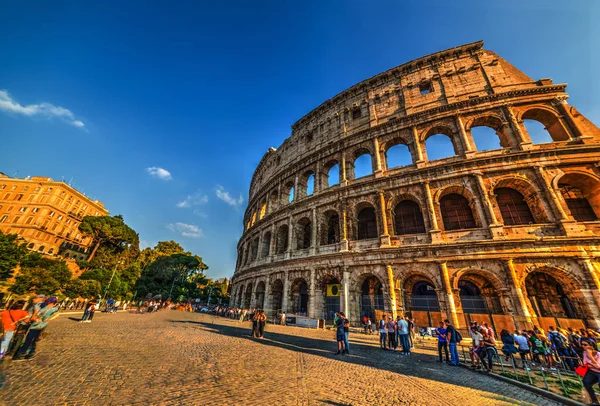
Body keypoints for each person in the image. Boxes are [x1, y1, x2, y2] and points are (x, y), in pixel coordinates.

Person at [581, 338, 600, 405]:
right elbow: (585, 364)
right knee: (586, 382)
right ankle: (595, 401)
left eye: (585, 344)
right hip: (592, 372)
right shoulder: (585, 353)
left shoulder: (598, 354)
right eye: (582, 344)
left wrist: (591, 356)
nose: (583, 346)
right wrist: (594, 365)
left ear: (591, 345)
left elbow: (599, 367)